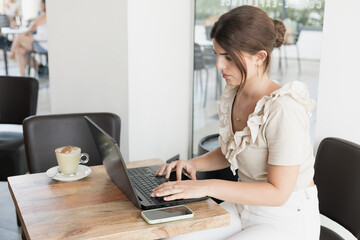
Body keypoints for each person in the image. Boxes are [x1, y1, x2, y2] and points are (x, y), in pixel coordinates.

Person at [152, 5, 320, 240]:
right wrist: (192, 165)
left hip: (286, 218)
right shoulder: (236, 92)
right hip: (245, 207)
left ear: (260, 57)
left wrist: (206, 186)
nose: (219, 65)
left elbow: (278, 193)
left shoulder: (284, 108)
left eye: (228, 57)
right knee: (171, 237)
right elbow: (235, 149)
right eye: (217, 55)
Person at [8, 0, 47, 76]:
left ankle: (11, 54)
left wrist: (26, 32)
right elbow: (34, 27)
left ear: (45, 5)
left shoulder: (46, 14)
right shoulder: (42, 14)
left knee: (19, 37)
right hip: (38, 40)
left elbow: (34, 25)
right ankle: (23, 75)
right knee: (19, 50)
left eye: (41, 4)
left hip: (42, 43)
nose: (40, 6)